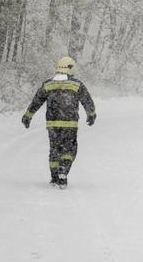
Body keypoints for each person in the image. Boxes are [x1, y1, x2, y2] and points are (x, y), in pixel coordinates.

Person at [21, 56, 96, 188]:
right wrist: (91, 114)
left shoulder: (48, 84)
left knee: (54, 149)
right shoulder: (77, 84)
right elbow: (87, 100)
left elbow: (37, 101)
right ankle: (63, 171)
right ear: (71, 68)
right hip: (70, 124)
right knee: (69, 149)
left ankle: (54, 177)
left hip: (52, 124)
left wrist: (28, 115)